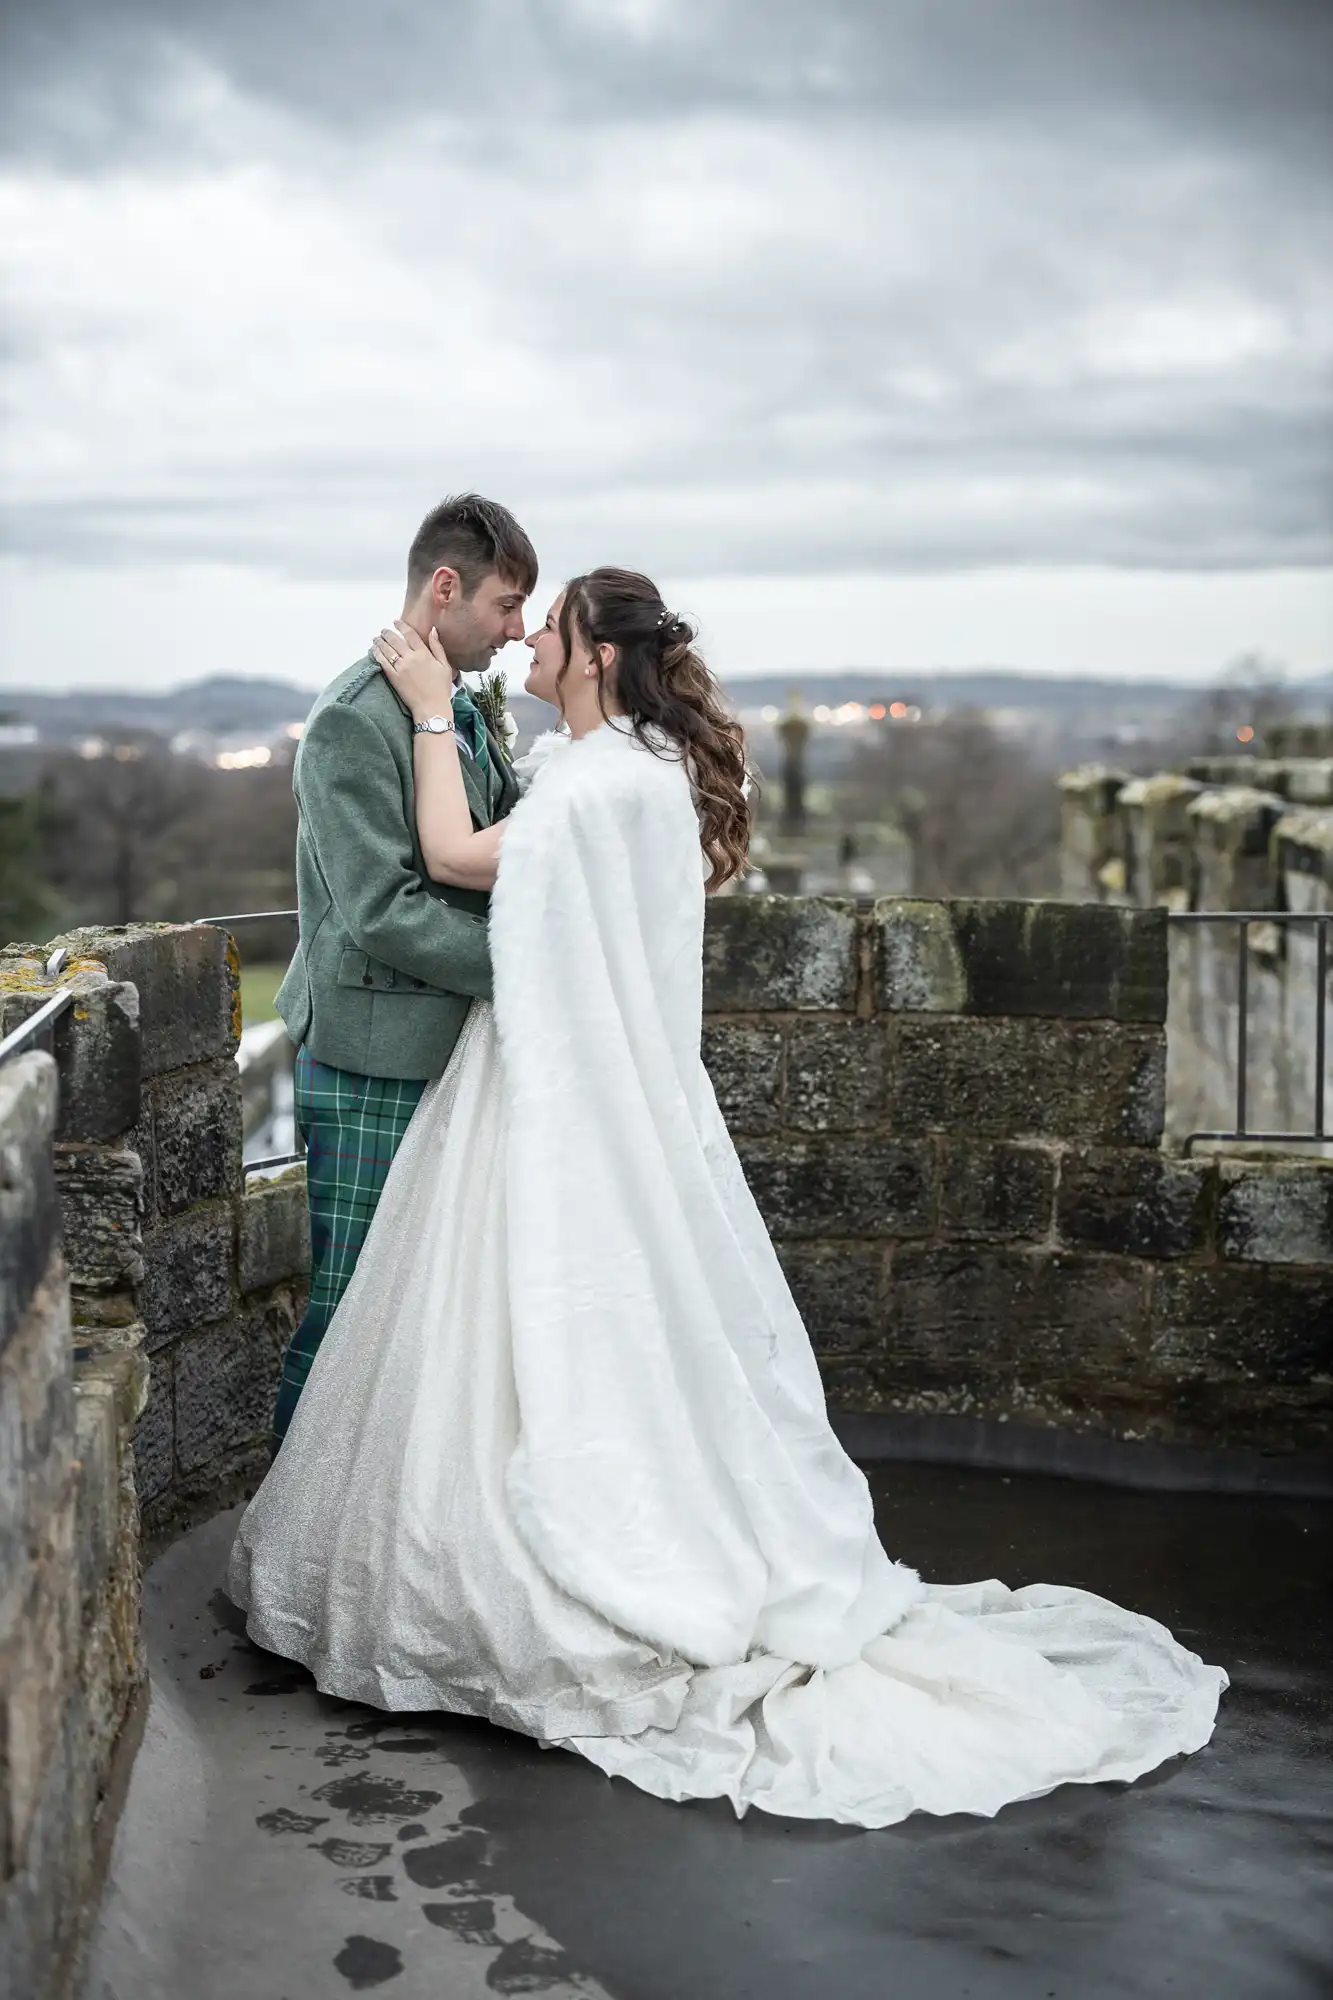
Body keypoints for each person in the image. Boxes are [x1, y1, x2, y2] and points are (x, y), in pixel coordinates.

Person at [230, 568, 1226, 1827]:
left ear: (594, 657)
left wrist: (431, 707)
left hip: (549, 1096)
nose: (530, 639)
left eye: (551, 627)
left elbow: (441, 855)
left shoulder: (592, 787)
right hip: (634, 1097)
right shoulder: (646, 769)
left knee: (530, 1323)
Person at [268, 493, 536, 1442]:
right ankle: (284, 1548)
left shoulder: (446, 706)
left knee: (423, 1312)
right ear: (446, 586)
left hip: (444, 1049)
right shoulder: (352, 721)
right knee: (348, 1309)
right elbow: (383, 911)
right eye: (505, 607)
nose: (517, 630)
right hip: (372, 1053)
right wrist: (537, 966)